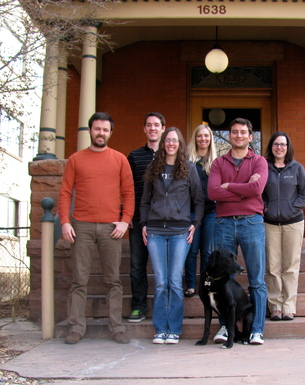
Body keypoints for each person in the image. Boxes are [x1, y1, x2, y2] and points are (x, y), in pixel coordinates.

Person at [58, 112, 134, 345]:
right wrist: (65, 221)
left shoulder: (120, 159)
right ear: (90, 131)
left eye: (105, 129)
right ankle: (76, 327)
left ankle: (117, 327)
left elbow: (129, 193)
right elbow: (65, 193)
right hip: (82, 226)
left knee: (113, 280)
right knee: (79, 279)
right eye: (97, 129)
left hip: (112, 228)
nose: (101, 133)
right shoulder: (75, 159)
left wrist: (125, 220)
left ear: (111, 132)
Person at [140, 127, 204, 344]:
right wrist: (143, 223)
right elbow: (145, 200)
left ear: (180, 143)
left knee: (175, 281)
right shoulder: (154, 169)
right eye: (167, 140)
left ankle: (174, 329)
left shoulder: (189, 169)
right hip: (156, 231)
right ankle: (160, 329)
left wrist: (194, 224)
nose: (170, 143)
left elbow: (198, 201)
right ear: (163, 143)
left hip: (179, 233)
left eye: (174, 140)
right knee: (160, 282)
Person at [208, 117, 268, 345]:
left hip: (252, 223)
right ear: (230, 135)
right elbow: (213, 192)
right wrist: (246, 190)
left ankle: (257, 330)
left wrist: (230, 186)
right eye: (234, 132)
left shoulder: (259, 161)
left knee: (256, 280)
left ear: (250, 137)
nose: (239, 135)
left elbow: (257, 188)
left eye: (243, 132)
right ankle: (225, 327)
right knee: (224, 279)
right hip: (223, 223)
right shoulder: (218, 163)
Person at [262, 132, 305, 321]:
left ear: (288, 147)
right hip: (270, 223)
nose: (279, 147)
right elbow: (259, 192)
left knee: (290, 265)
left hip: (294, 223)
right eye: (276, 144)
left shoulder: (297, 168)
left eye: (283, 144)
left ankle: (288, 306)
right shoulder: (264, 167)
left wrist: (291, 208)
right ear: (271, 147)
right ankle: (275, 307)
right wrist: (266, 207)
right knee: (272, 266)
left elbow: (304, 195)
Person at [127, 112, 166, 323]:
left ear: (163, 128)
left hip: (163, 220)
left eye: (156, 125)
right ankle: (138, 306)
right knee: (137, 265)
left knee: (164, 267)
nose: (152, 128)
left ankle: (165, 306)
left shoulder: (170, 155)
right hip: (138, 217)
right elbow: (128, 187)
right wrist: (128, 215)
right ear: (144, 129)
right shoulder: (134, 156)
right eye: (149, 125)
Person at [184, 124, 217, 297]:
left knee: (207, 251)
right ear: (195, 138)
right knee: (191, 249)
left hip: (212, 211)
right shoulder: (188, 161)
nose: (203, 139)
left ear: (211, 139)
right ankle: (190, 284)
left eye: (206, 136)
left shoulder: (217, 161)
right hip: (191, 211)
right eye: (199, 136)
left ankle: (206, 283)